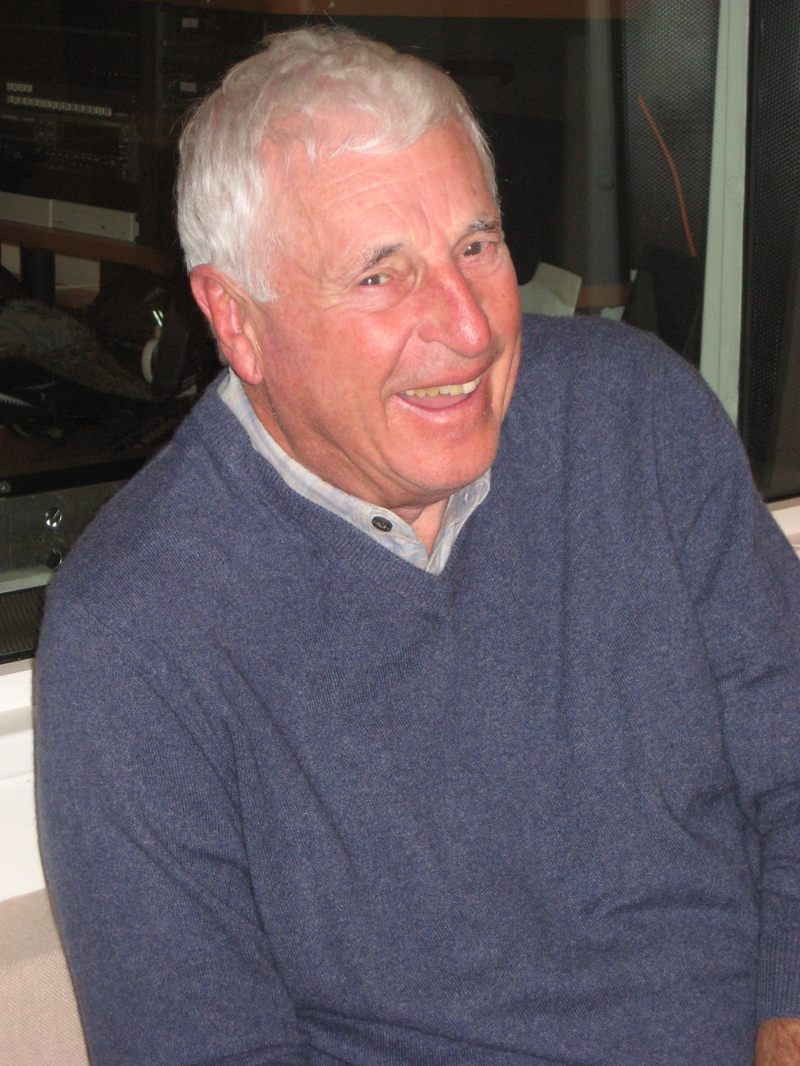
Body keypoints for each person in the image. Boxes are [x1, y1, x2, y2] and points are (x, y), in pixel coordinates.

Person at [35, 26, 800, 1066]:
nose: (469, 327)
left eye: (475, 245)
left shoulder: (636, 418)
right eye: (379, 277)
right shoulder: (138, 633)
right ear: (235, 318)